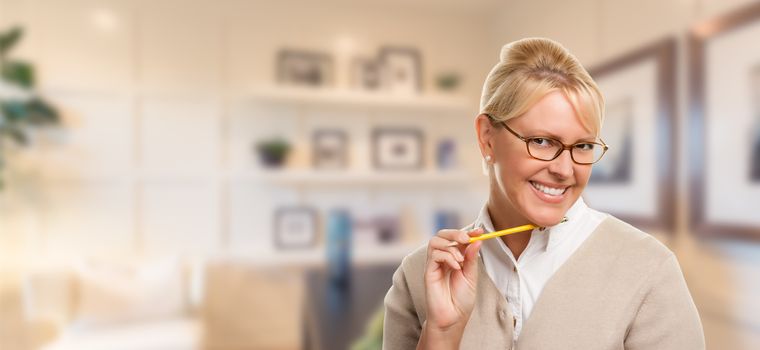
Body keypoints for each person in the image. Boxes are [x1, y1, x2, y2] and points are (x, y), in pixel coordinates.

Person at [382, 38, 704, 350]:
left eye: (583, 146)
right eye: (542, 141)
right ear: (487, 138)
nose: (565, 170)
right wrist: (442, 333)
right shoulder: (418, 276)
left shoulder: (648, 270)